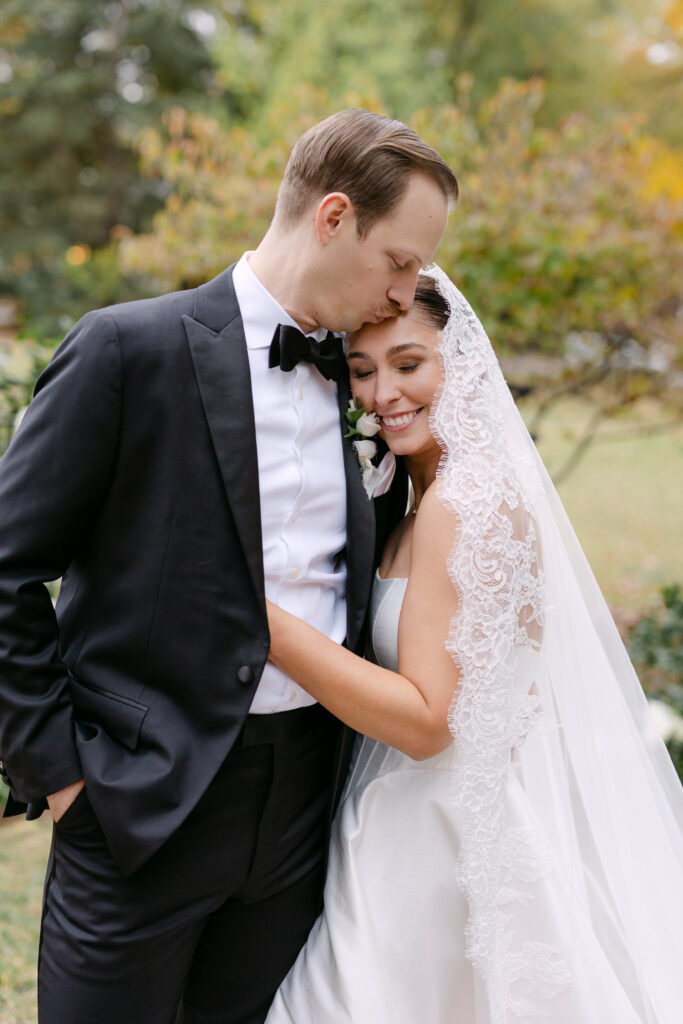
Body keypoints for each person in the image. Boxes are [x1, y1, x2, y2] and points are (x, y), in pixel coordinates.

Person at [0, 110, 457, 1023]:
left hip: (306, 812)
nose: (409, 285)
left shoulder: (364, 381)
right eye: (399, 260)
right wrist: (66, 781)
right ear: (332, 217)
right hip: (139, 804)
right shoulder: (127, 350)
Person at [263, 266, 683, 1023]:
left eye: (408, 364)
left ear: (464, 363)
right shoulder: (427, 494)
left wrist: (260, 623)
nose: (383, 393)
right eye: (361, 371)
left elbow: (429, 723)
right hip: (422, 820)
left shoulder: (464, 500)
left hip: (443, 843)